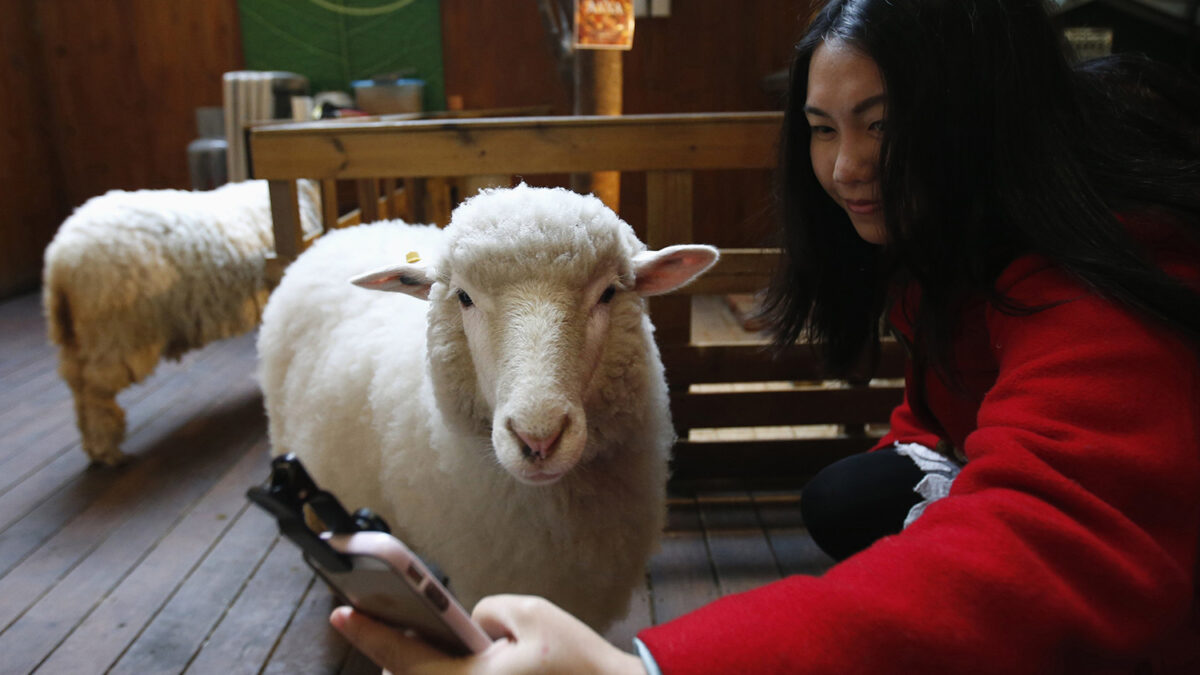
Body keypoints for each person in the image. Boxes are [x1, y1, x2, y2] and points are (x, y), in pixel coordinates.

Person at [329, 0, 1200, 672]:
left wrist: (650, 664)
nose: (846, 166)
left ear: (980, 109)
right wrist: (926, 452)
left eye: (882, 123)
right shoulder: (966, 236)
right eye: (822, 130)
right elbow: (956, 393)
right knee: (845, 495)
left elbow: (1057, 526)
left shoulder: (1114, 269)